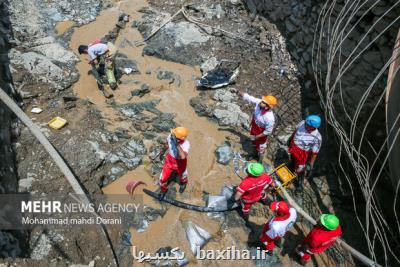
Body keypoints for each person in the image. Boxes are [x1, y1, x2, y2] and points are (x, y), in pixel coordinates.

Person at [237, 91, 277, 162]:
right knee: (254, 144)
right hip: (255, 128)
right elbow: (249, 98)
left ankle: (260, 161)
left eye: (264, 103)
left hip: (261, 134)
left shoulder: (269, 118)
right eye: (263, 101)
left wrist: (256, 137)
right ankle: (253, 154)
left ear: (268, 106)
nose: (261, 102)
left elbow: (268, 132)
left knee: (261, 148)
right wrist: (238, 92)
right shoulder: (259, 103)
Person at [287, 115, 322, 192]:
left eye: (307, 124)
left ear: (313, 127)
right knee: (292, 160)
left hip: (302, 154)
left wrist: (310, 164)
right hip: (294, 147)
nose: (305, 124)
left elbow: (314, 152)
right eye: (306, 123)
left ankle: (300, 185)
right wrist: (290, 138)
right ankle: (289, 173)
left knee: (300, 169)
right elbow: (296, 131)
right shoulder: (303, 123)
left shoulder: (317, 137)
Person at [158, 127, 190, 200]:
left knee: (183, 176)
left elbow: (182, 157)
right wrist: (162, 152)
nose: (171, 135)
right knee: (162, 179)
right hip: (170, 161)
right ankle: (163, 191)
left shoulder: (186, 144)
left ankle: (183, 184)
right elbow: (167, 145)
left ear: (180, 139)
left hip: (180, 163)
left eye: (174, 135)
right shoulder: (171, 136)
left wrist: (177, 144)